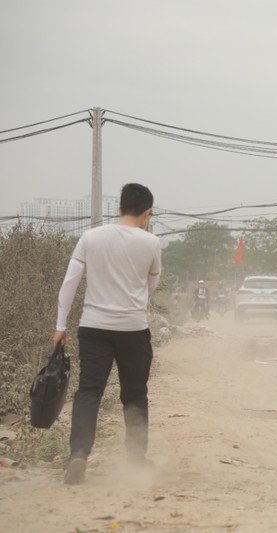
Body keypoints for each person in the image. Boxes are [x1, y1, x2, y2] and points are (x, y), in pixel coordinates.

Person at [53, 183, 161, 485]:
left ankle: (78, 455)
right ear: (148, 213)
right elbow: (151, 287)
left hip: (93, 327)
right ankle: (136, 460)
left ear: (118, 209)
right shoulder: (150, 243)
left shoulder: (91, 237)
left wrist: (60, 326)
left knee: (89, 392)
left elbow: (70, 282)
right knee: (135, 394)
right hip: (133, 329)